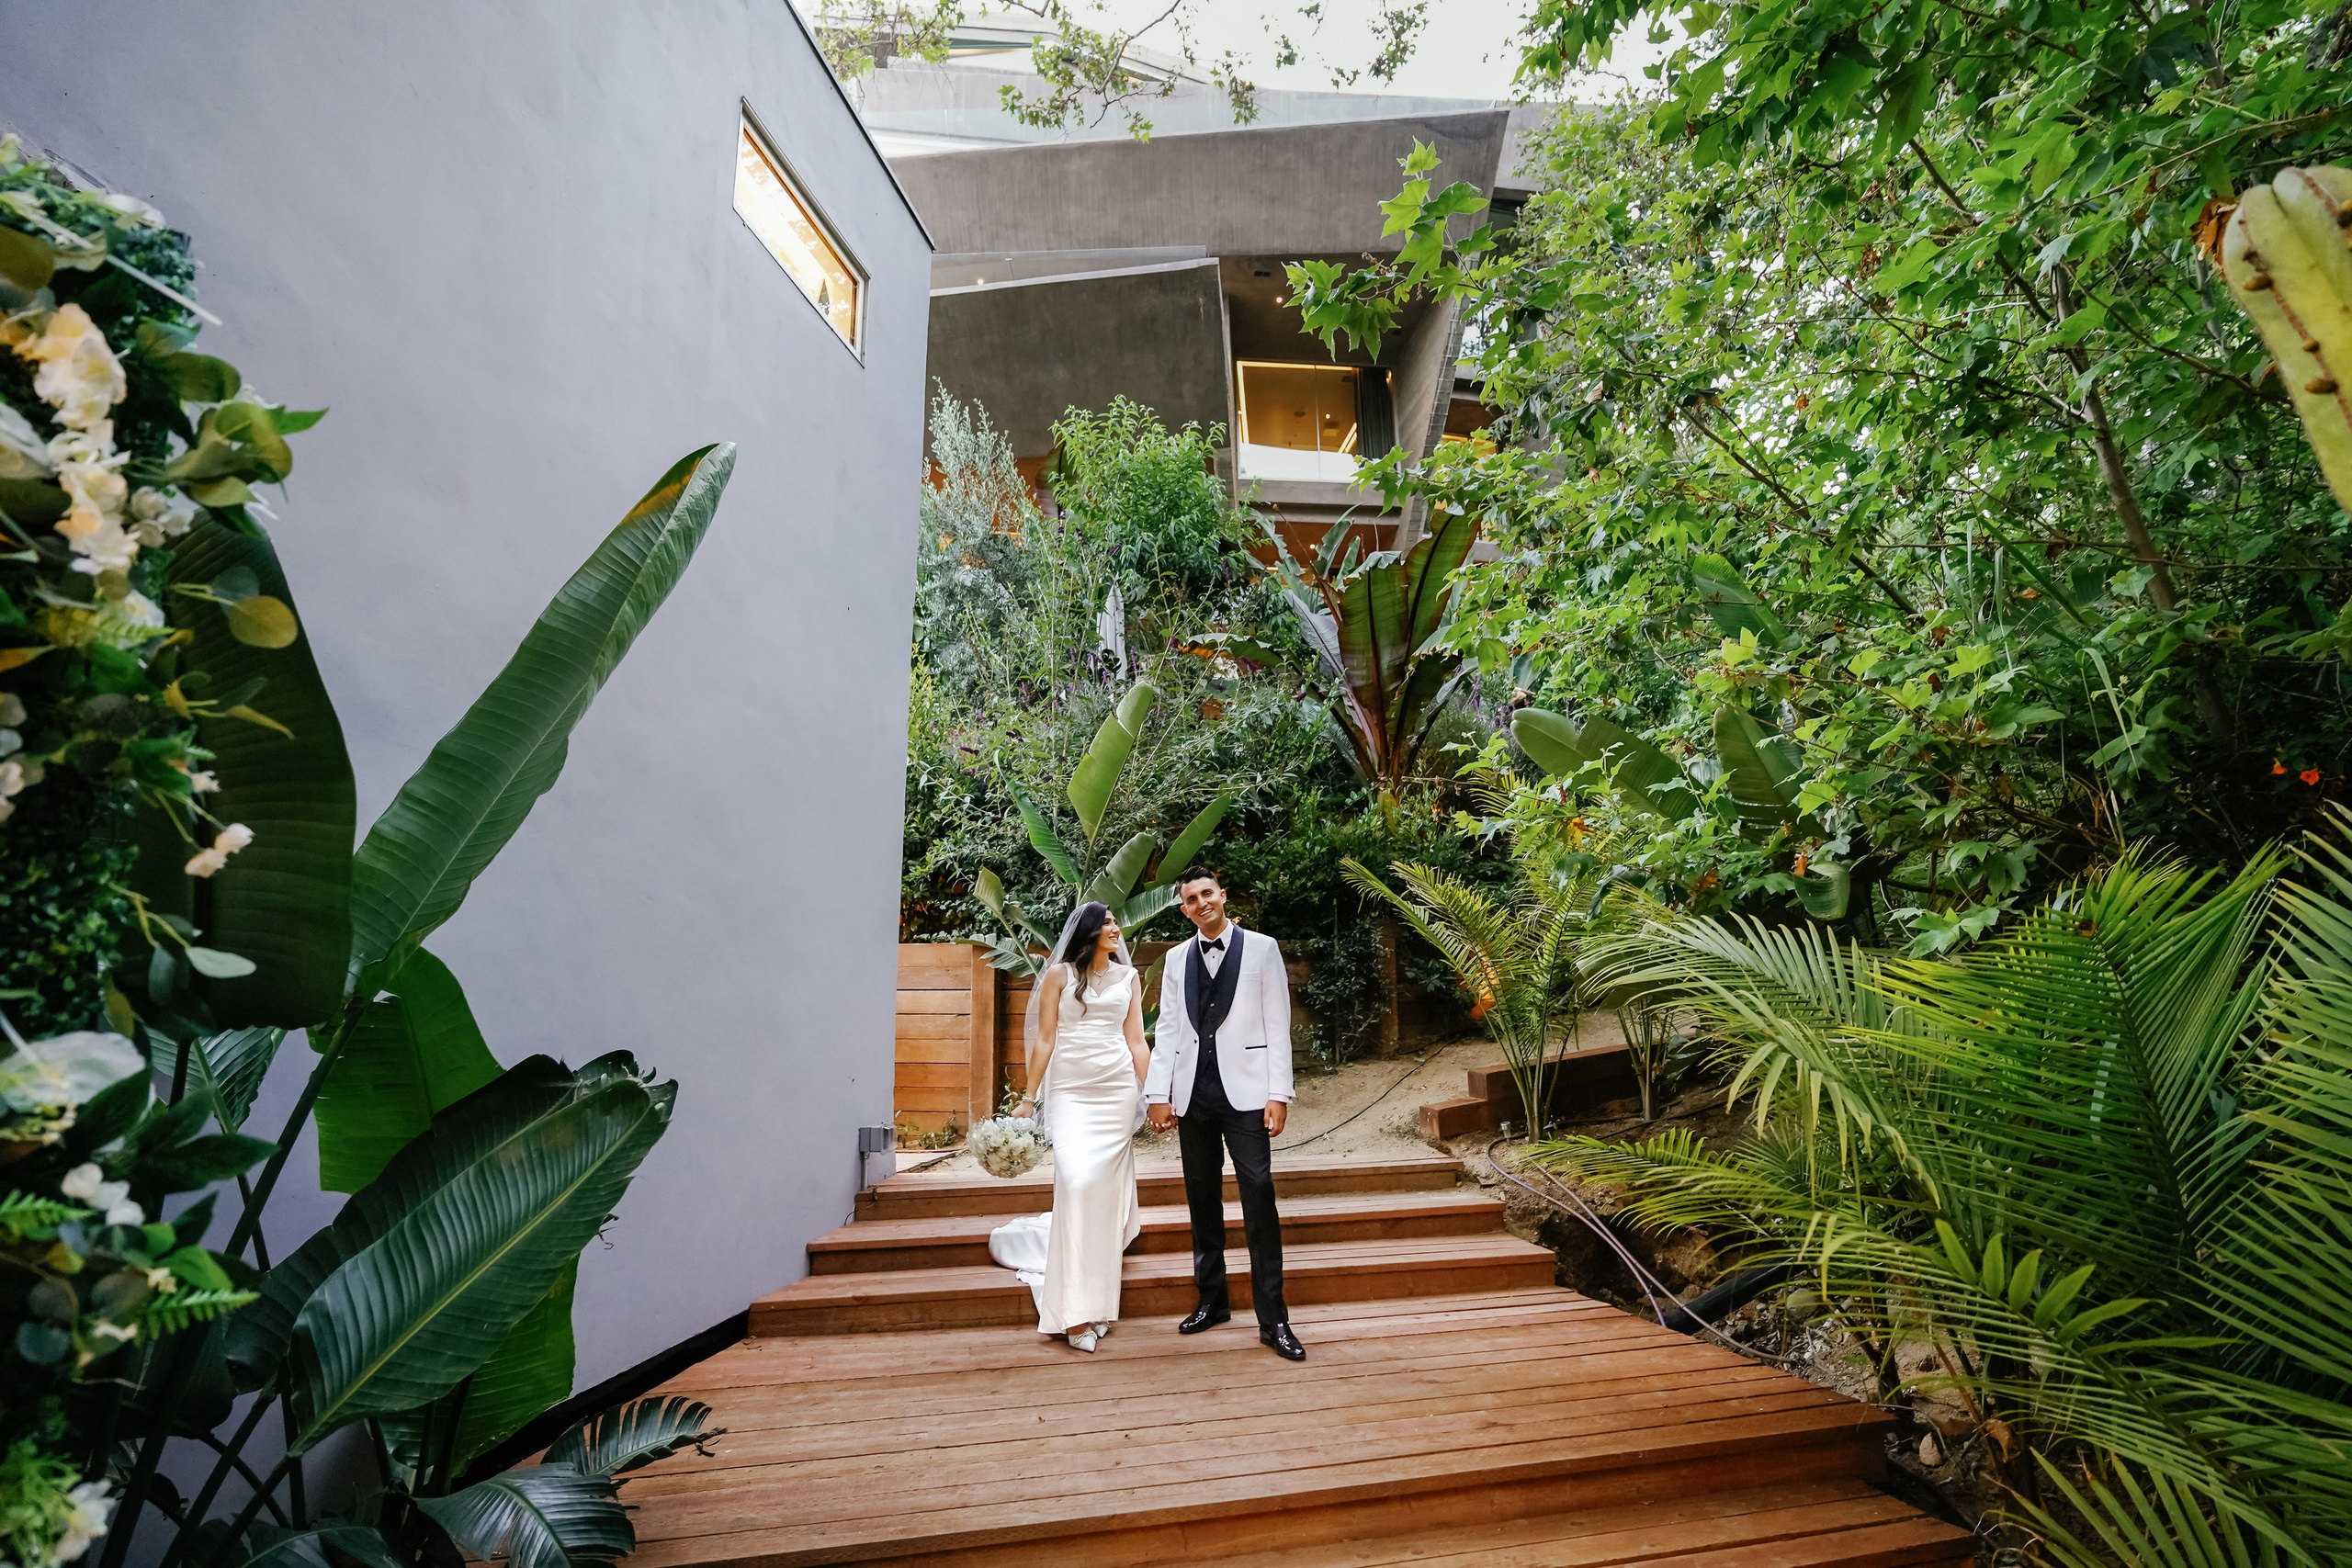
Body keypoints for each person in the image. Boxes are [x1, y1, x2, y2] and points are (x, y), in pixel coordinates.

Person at [1144, 867, 1306, 1361]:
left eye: (1207, 893)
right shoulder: (1175, 958)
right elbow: (1168, 1029)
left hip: (1249, 1094)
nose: (1201, 903)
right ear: (1185, 909)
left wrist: (1279, 1093)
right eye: (1191, 899)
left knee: (1258, 1195)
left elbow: (1278, 1023)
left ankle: (1273, 1319)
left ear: (1222, 896)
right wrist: (1157, 1093)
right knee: (1201, 1197)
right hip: (1194, 1095)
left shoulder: (1261, 947)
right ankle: (1212, 1300)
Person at [986, 901, 1147, 1352]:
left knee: (1104, 1199)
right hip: (1073, 1094)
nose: (1116, 928)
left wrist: (1156, 1095)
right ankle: (1071, 1315)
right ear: (1090, 931)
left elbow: (1136, 1041)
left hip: (1116, 1092)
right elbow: (1045, 1039)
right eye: (1108, 923)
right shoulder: (1058, 975)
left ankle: (1093, 1309)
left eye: (1116, 922)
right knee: (1076, 1185)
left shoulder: (1128, 978)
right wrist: (1027, 1098)